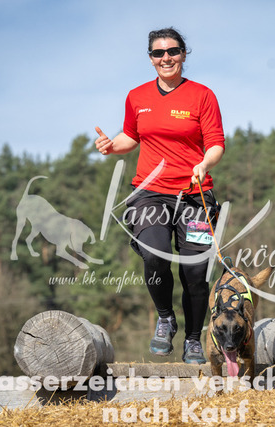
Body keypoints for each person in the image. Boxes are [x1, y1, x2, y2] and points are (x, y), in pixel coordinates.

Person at [94, 27, 225, 364]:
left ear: (183, 54)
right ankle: (165, 318)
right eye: (158, 53)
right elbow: (130, 136)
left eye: (172, 51)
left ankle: (193, 340)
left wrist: (204, 163)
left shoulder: (202, 95)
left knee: (196, 273)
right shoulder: (137, 97)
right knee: (154, 254)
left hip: (194, 195)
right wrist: (111, 146)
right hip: (149, 193)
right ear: (151, 58)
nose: (166, 58)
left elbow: (215, 144)